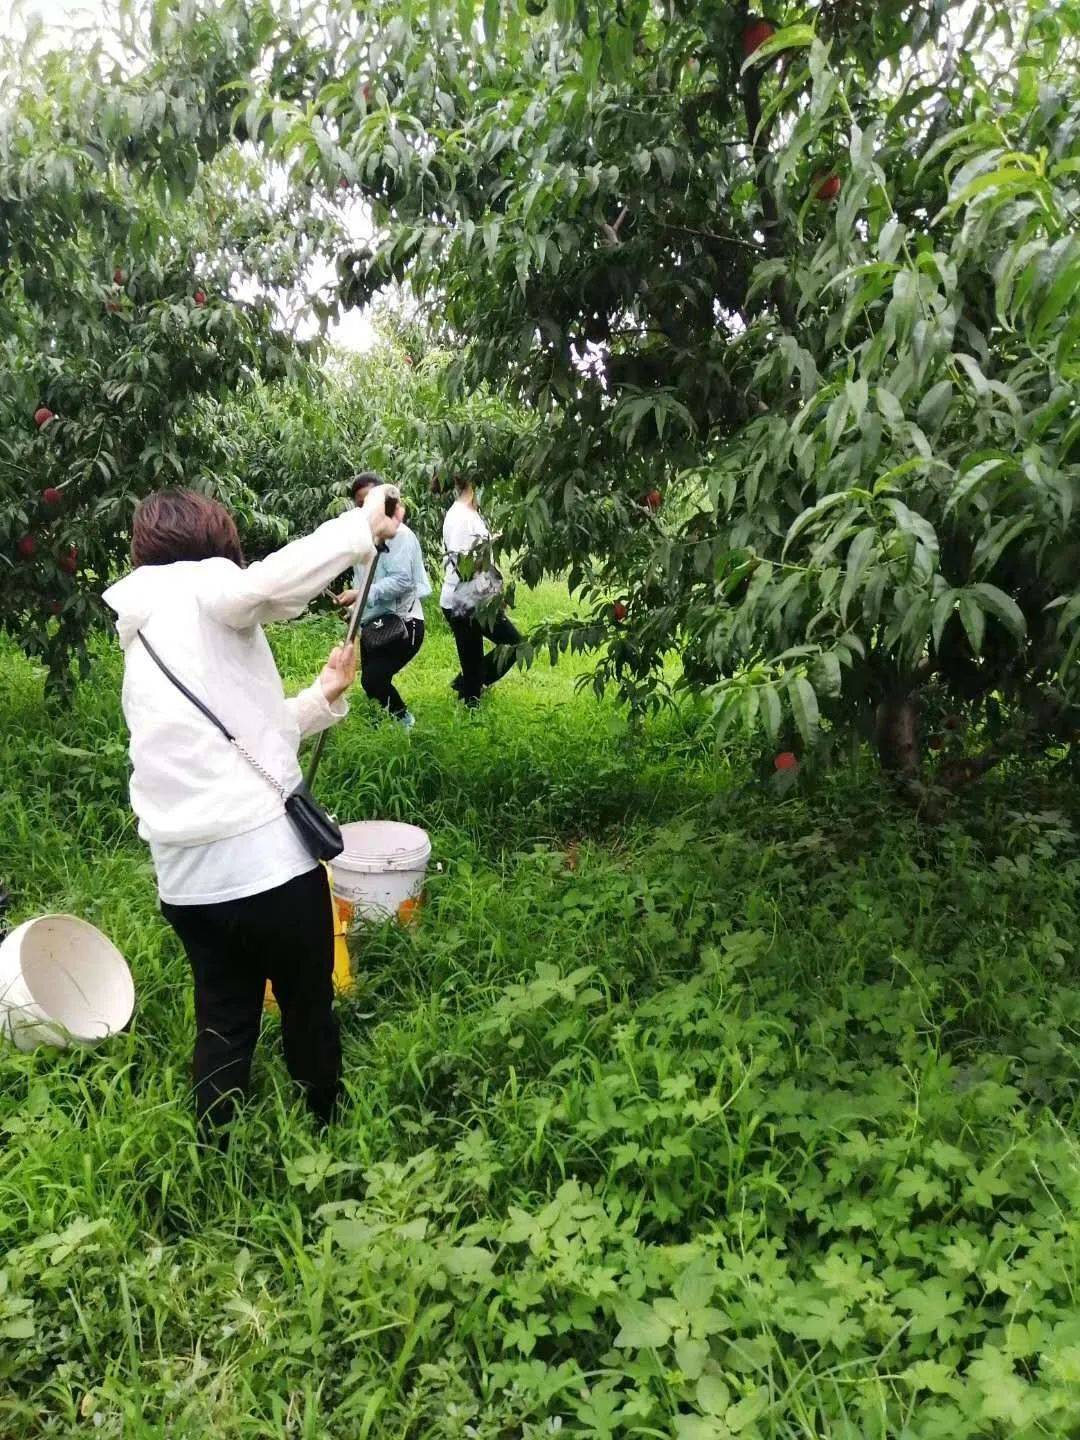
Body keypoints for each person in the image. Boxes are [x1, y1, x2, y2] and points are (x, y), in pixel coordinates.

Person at [102, 483, 400, 1137]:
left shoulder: (143, 629)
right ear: (214, 540)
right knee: (306, 1003)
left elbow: (241, 739)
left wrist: (322, 695)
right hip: (266, 870)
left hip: (185, 883)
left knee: (224, 1016)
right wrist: (360, 527)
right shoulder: (203, 585)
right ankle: (327, 1132)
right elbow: (261, 588)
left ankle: (214, 1152)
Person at [336, 472, 430, 729]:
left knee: (374, 680)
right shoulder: (367, 537)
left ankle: (407, 724)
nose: (366, 507)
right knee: (372, 683)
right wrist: (356, 607)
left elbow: (403, 581)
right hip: (374, 622)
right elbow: (365, 582)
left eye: (371, 499)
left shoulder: (400, 535)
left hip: (402, 622)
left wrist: (361, 594)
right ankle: (385, 728)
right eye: (360, 502)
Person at [440, 476, 522, 706]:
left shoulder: (468, 514)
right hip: (466, 600)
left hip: (468, 599)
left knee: (472, 661)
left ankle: (468, 691)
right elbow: (463, 564)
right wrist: (491, 545)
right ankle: (467, 687)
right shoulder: (462, 518)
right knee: (515, 644)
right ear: (476, 486)